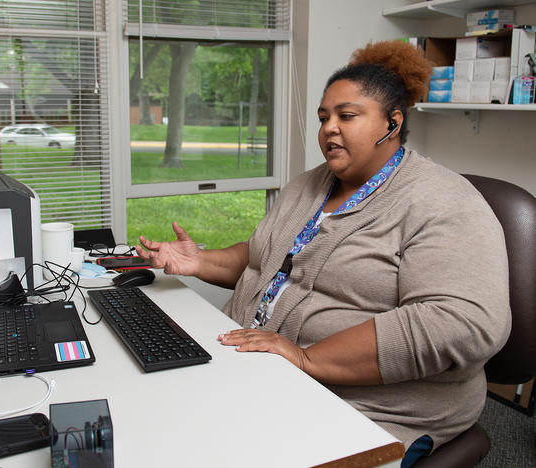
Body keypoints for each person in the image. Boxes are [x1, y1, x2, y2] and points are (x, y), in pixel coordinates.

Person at [135, 40, 511, 466]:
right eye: (323, 118)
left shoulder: (443, 201)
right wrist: (199, 261)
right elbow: (267, 259)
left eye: (347, 116)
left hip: (367, 407)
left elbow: (461, 324)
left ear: (392, 121)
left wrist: (304, 356)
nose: (329, 128)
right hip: (249, 369)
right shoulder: (308, 185)